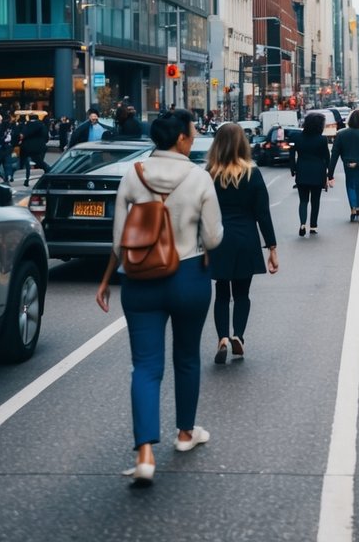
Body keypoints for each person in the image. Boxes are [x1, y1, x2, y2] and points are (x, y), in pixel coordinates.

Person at [95, 108, 224, 485]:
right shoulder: (199, 177)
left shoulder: (132, 176)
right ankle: (185, 434)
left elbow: (119, 239)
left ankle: (145, 455)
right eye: (192, 131)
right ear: (182, 139)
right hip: (188, 277)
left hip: (141, 279)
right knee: (186, 357)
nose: (194, 135)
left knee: (146, 367)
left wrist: (105, 280)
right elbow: (214, 238)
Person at [204, 123, 278, 365]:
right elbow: (263, 214)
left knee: (222, 292)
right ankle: (239, 336)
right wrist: (272, 248)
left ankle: (222, 338)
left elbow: (200, 211)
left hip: (218, 239)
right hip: (246, 238)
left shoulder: (209, 173)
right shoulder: (252, 173)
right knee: (243, 293)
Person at [289, 111, 332, 236]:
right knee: (315, 200)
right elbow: (327, 157)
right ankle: (313, 226)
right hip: (318, 172)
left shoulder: (296, 137)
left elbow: (292, 155)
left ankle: (302, 224)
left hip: (302, 171)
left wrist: (293, 169)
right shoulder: (322, 140)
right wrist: (329, 174)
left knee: (303, 200)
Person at [329, 109, 359, 222]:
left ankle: (353, 208)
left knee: (350, 184)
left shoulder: (341, 134)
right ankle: (358, 206)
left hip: (347, 163)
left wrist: (330, 174)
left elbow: (334, 154)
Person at [19, 114, 51, 184]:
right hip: (41, 146)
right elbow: (46, 137)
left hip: (28, 148)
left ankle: (27, 178)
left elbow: (22, 135)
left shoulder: (27, 125)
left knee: (27, 164)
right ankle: (48, 173)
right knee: (40, 162)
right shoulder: (42, 125)